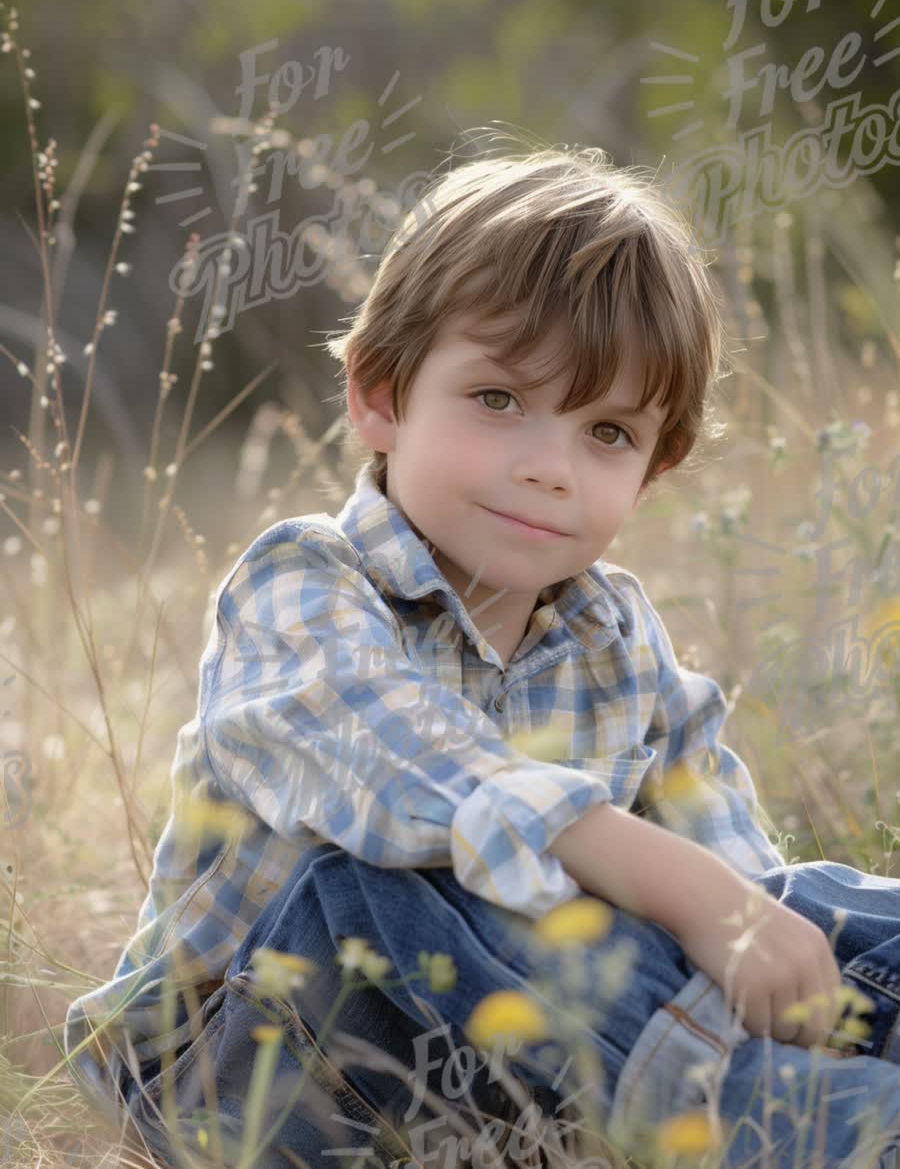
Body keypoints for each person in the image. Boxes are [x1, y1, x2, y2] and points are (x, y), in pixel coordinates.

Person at [64, 144, 900, 1169]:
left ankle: (845, 1063)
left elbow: (730, 877)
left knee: (811, 905)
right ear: (381, 395)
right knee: (377, 879)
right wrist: (666, 878)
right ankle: (785, 1121)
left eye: (606, 431)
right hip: (244, 1058)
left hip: (499, 1045)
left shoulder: (616, 637)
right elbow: (402, 768)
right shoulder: (302, 581)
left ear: (654, 468)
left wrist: (745, 916)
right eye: (500, 399)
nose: (549, 468)